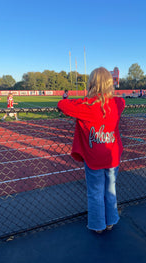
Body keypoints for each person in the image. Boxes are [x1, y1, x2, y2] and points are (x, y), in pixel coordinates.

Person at [57, 67, 125, 233]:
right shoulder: (117, 103)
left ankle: (98, 225)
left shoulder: (86, 106)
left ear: (91, 83)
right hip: (112, 157)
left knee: (95, 192)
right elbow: (121, 101)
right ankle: (111, 221)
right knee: (111, 190)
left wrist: (85, 100)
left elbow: (62, 104)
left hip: (94, 158)